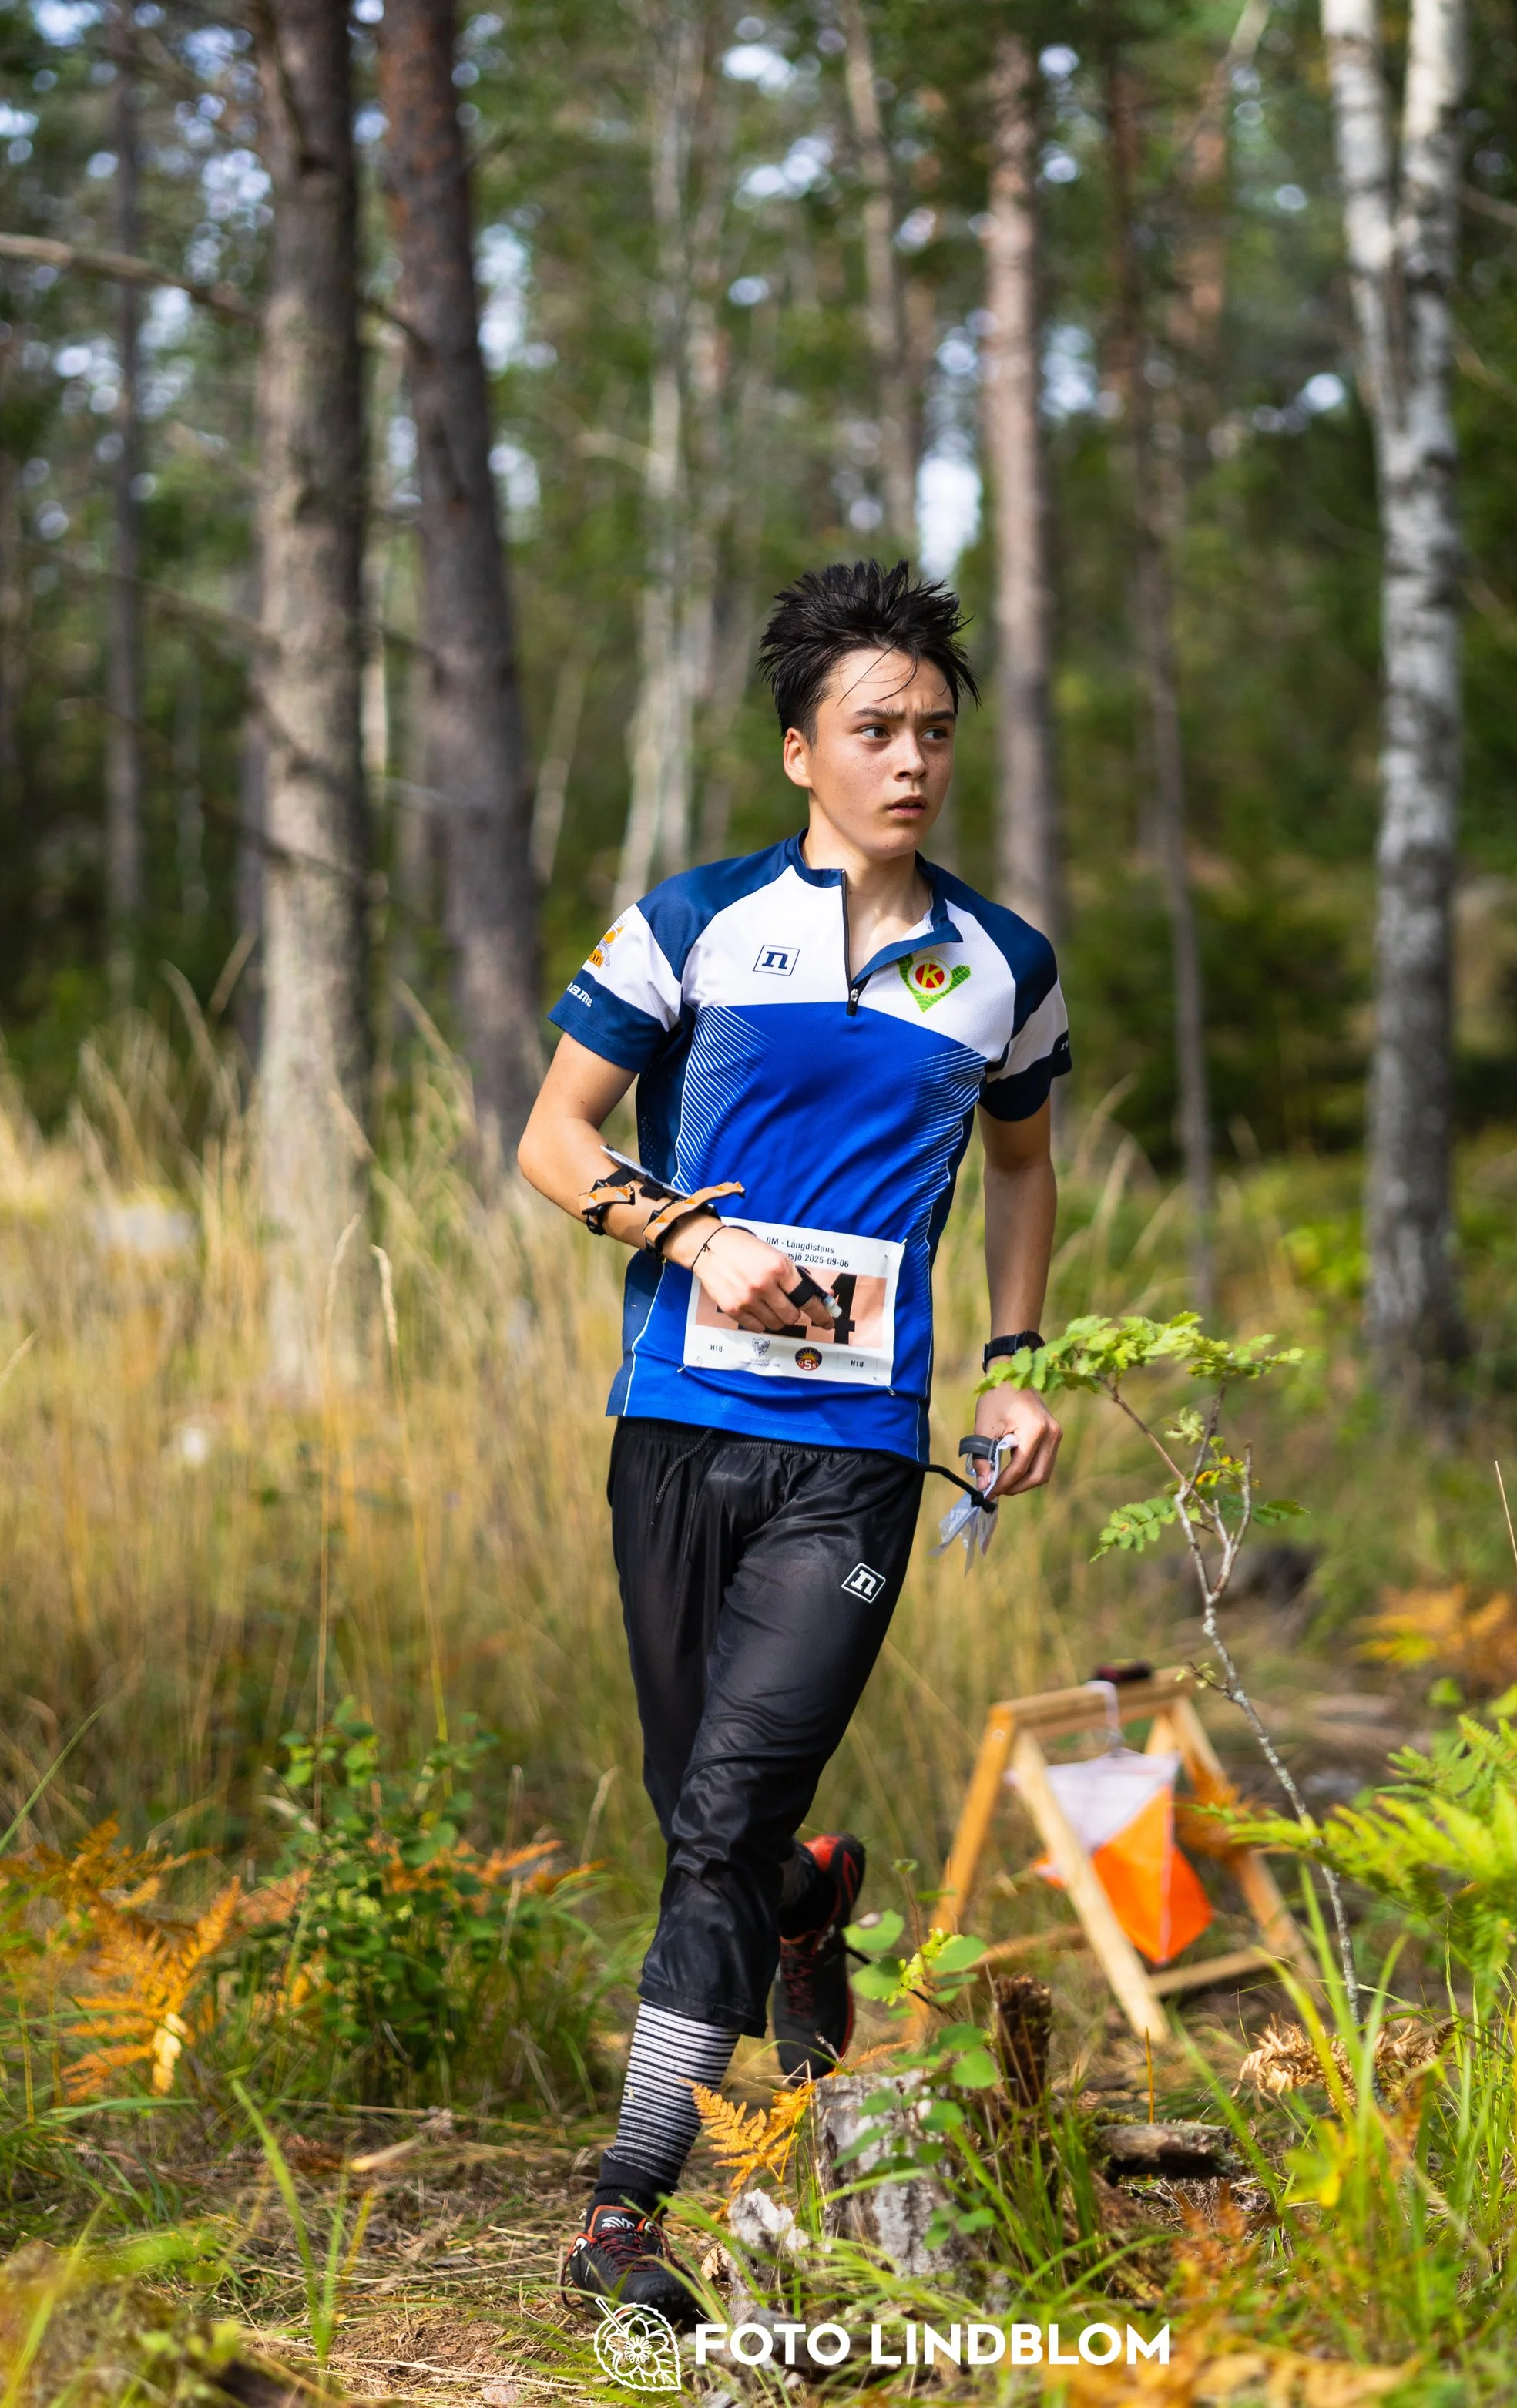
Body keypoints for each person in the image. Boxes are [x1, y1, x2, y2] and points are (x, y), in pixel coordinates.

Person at [517, 558, 1069, 2319]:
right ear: (797, 752)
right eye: (874, 729)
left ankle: (621, 2210)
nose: (911, 760)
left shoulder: (1000, 964)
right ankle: (808, 1900)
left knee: (714, 1818)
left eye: (933, 732)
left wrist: (1016, 1360)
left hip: (856, 1461)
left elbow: (1025, 1169)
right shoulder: (690, 922)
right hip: (675, 1426)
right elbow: (549, 1136)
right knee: (710, 1807)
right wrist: (686, 1232)